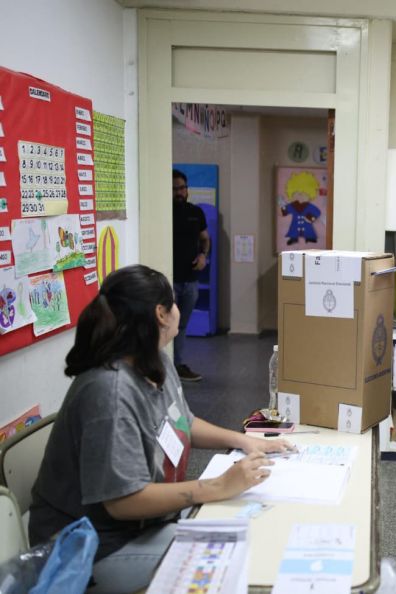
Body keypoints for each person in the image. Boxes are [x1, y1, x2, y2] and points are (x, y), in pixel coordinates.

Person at [28, 264, 294, 594]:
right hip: (90, 549)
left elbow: (183, 422)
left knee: (242, 532)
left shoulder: (153, 360)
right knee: (233, 558)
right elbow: (122, 502)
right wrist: (217, 486)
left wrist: (245, 441)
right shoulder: (109, 392)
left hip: (142, 527)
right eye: (175, 304)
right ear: (161, 314)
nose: (179, 310)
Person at [172, 169, 209, 382]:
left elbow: (205, 239)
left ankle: (177, 365)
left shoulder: (196, 212)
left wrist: (203, 255)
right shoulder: (162, 212)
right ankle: (164, 368)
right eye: (174, 189)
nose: (179, 192)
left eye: (182, 188)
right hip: (168, 281)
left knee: (181, 326)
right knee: (166, 326)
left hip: (191, 280)